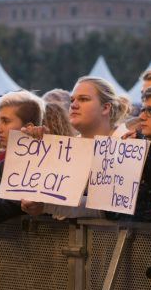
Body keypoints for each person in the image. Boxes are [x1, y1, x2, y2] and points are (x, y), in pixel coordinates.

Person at [21, 76, 131, 219]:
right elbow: (52, 195)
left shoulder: (128, 143)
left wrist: (46, 206)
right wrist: (39, 150)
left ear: (105, 107)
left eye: (83, 99)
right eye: (72, 100)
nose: (73, 105)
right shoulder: (69, 148)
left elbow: (108, 207)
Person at [0, 90, 45, 223]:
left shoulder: (43, 165)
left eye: (5, 121)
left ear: (28, 127)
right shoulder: (4, 164)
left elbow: (13, 205)